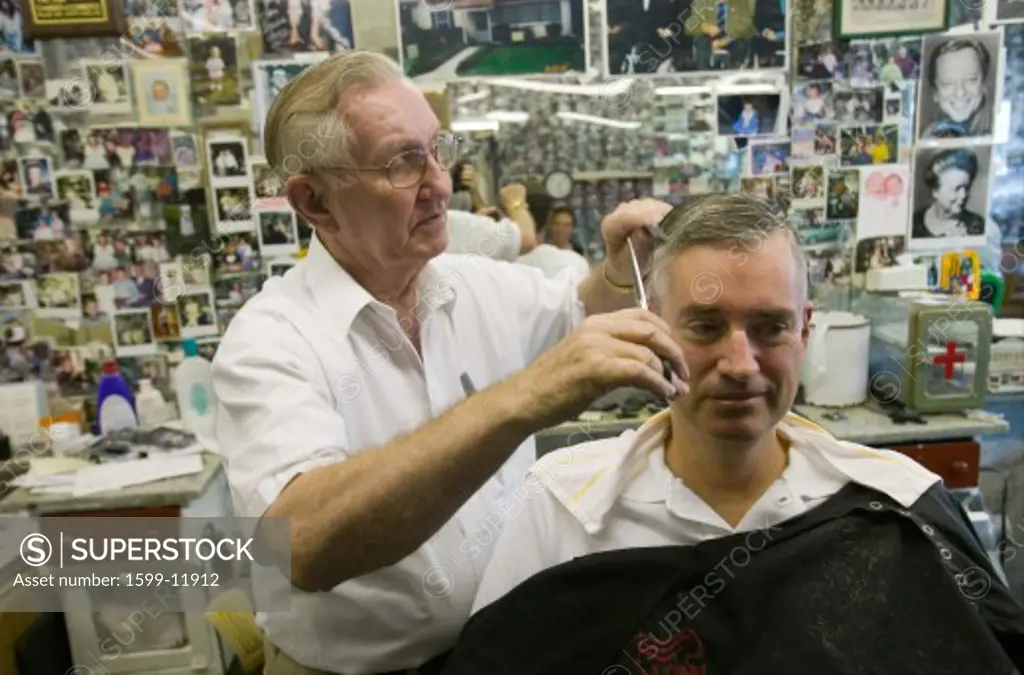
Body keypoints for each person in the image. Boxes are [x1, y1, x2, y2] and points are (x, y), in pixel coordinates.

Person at [211, 50, 688, 675]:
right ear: (315, 202)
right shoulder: (271, 340)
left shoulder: (476, 286)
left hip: (503, 654)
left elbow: (584, 311)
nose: (439, 184)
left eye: (438, 150)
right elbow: (299, 548)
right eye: (404, 163)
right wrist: (519, 401)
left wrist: (623, 271)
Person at [442, 194, 1024, 674]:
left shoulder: (898, 509)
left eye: (770, 327)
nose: (740, 362)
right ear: (653, 328)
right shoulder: (562, 509)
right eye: (706, 326)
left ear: (805, 329)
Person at [920, 37, 992, 138]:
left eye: (970, 79)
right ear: (935, 93)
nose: (960, 93)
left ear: (983, 84)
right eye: (947, 83)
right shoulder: (928, 137)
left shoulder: (999, 129)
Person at [912, 148, 986, 238]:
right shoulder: (914, 223)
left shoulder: (977, 225)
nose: (963, 195)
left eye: (966, 188)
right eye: (956, 189)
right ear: (935, 191)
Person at [517, 207, 591, 280]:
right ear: (550, 226)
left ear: (573, 228)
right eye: (557, 224)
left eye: (566, 225)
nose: (561, 229)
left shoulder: (580, 253)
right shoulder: (540, 253)